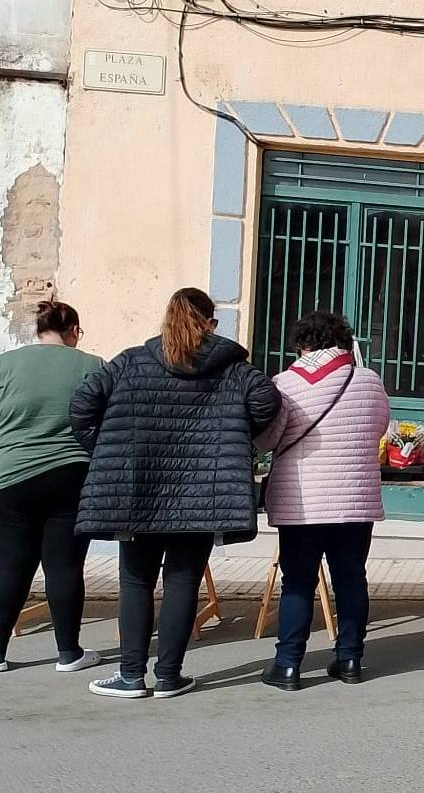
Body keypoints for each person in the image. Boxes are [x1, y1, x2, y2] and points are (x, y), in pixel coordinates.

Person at [70, 288, 279, 699]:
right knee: (183, 581)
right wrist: (234, 439)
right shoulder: (235, 370)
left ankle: (131, 675)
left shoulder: (130, 362)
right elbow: (266, 402)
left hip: (138, 488)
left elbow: (81, 405)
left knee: (135, 580)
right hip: (203, 493)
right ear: (210, 324)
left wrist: (107, 449)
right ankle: (169, 676)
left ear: (165, 319)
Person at [255, 312, 392, 691]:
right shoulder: (368, 380)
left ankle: (287, 666)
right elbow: (379, 427)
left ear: (303, 345)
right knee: (351, 579)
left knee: (298, 582)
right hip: (354, 500)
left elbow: (267, 441)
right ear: (343, 342)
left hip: (302, 502)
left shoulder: (283, 384)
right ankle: (350, 659)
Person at [0, 301, 103, 674]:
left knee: (11, 564)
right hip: (71, 474)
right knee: (64, 565)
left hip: (11, 476)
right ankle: (68, 653)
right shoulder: (92, 366)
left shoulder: (6, 364)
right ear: (73, 330)